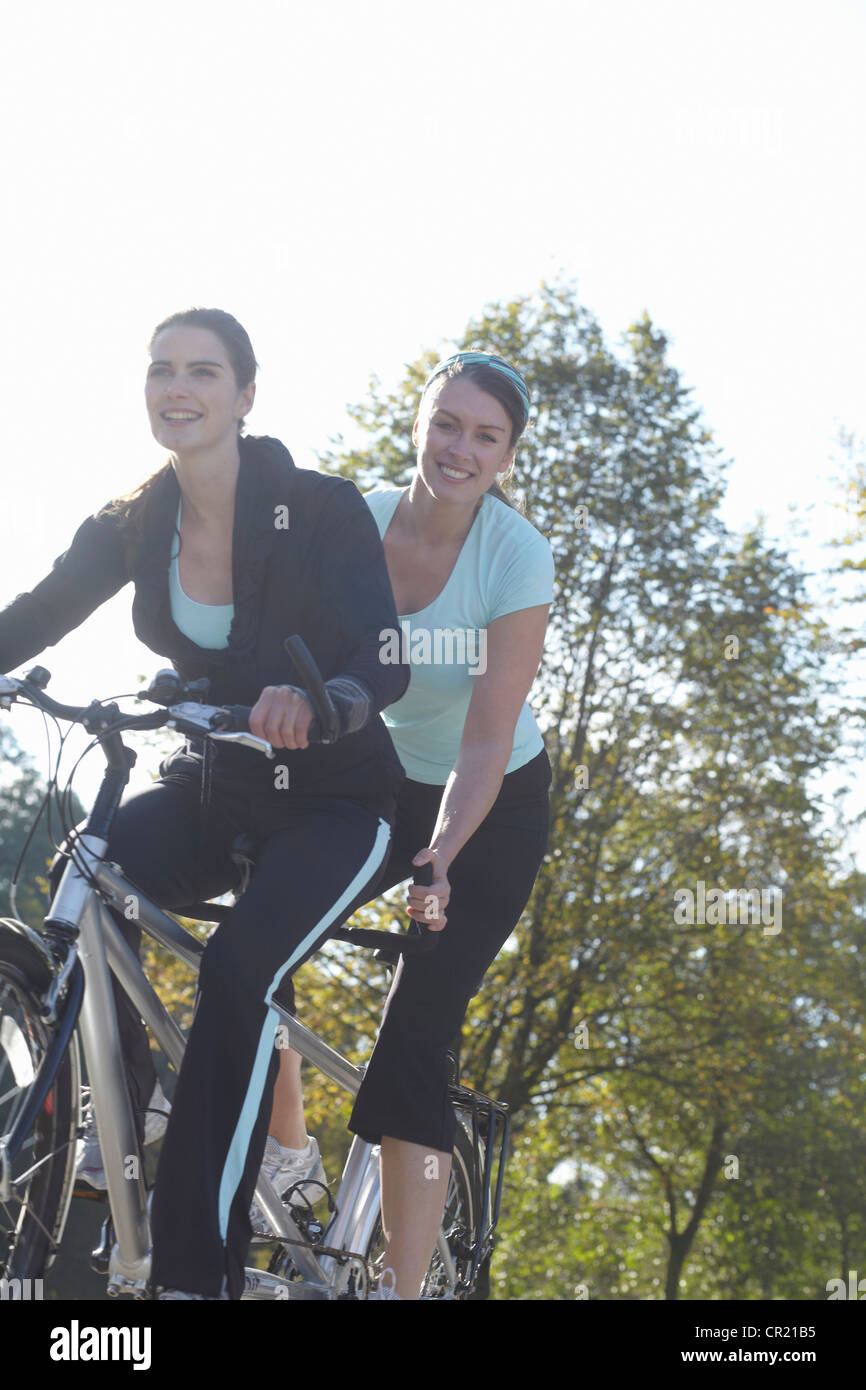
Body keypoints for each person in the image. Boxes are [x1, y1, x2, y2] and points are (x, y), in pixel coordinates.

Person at [0, 308, 408, 1299]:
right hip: (216, 787)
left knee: (236, 974)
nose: (177, 387)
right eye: (161, 370)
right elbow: (40, 610)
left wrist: (323, 701)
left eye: (203, 371)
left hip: (339, 804)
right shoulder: (133, 522)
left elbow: (383, 653)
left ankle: (192, 1277)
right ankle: (125, 1114)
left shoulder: (316, 507)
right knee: (91, 872)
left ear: (244, 395)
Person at [264, 349, 555, 1299]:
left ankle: (401, 1289)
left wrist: (440, 859)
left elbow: (483, 738)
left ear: (509, 455)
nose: (459, 449)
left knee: (415, 1032)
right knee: (260, 931)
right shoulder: (358, 522)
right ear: (419, 421)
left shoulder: (514, 556)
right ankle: (285, 1154)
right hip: (382, 779)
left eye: (485, 436)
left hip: (492, 801)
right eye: (446, 424)